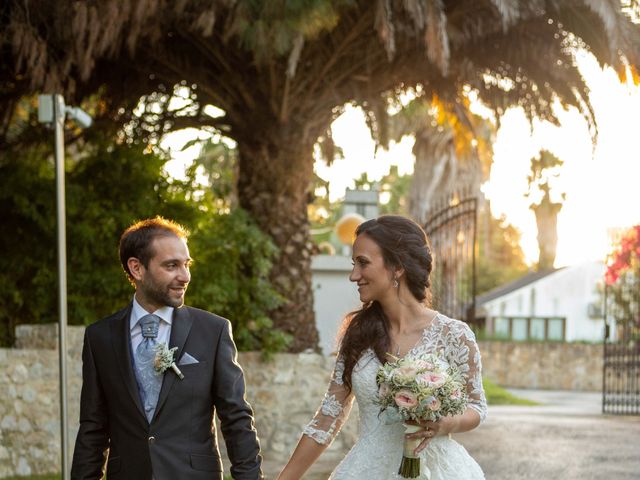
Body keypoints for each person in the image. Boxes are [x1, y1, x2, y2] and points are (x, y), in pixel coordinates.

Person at [277, 215, 487, 480]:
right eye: (354, 264)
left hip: (436, 471)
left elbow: (476, 407)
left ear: (397, 266)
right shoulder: (358, 334)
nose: (354, 276)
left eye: (363, 263)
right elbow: (328, 418)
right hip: (366, 470)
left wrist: (447, 423)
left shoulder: (455, 334)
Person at [71, 217, 263, 480]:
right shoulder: (100, 337)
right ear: (137, 268)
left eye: (186, 264)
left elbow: (236, 417)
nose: (184, 276)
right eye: (172, 265)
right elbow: (93, 428)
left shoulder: (212, 331)